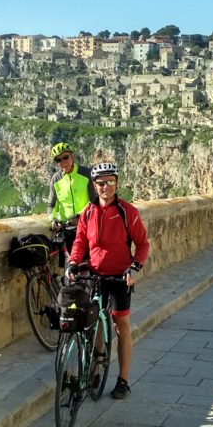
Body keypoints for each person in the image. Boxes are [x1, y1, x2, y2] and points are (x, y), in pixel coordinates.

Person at [67, 161, 150, 399]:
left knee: (121, 326)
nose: (106, 187)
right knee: (94, 322)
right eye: (101, 183)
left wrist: (134, 267)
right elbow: (80, 241)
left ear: (117, 183)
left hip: (120, 277)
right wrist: (73, 261)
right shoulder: (88, 212)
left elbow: (143, 244)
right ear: (94, 186)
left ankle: (123, 380)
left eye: (110, 182)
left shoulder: (127, 212)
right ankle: (96, 364)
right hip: (95, 275)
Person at [46, 142, 97, 259]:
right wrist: (53, 219)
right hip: (66, 230)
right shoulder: (56, 179)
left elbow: (94, 200)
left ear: (72, 156)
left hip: (86, 227)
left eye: (65, 157)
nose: (63, 162)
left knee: (87, 266)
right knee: (68, 269)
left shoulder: (86, 173)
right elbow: (51, 205)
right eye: (59, 160)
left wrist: (79, 216)